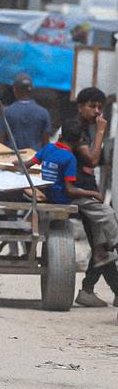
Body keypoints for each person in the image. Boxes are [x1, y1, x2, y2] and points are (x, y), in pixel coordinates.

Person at [19, 118, 118, 270]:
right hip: (64, 198)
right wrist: (93, 193)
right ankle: (114, 243)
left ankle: (100, 253)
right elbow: (70, 190)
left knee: (94, 213)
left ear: (60, 136)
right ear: (80, 141)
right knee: (106, 212)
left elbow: (27, 164)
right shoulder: (69, 158)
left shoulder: (48, 148)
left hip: (49, 193)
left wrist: (15, 164)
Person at [70, 87, 118, 306]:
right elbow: (91, 160)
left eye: (100, 107)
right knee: (105, 242)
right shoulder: (75, 127)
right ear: (80, 106)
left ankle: (88, 291)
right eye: (92, 106)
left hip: (89, 192)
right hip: (79, 193)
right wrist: (100, 132)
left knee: (101, 248)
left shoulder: (85, 128)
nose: (97, 111)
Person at [0, 73, 52, 150]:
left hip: (13, 156)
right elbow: (46, 142)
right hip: (35, 156)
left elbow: (0, 139)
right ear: (31, 90)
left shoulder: (7, 112)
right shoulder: (43, 113)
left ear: (15, 90)